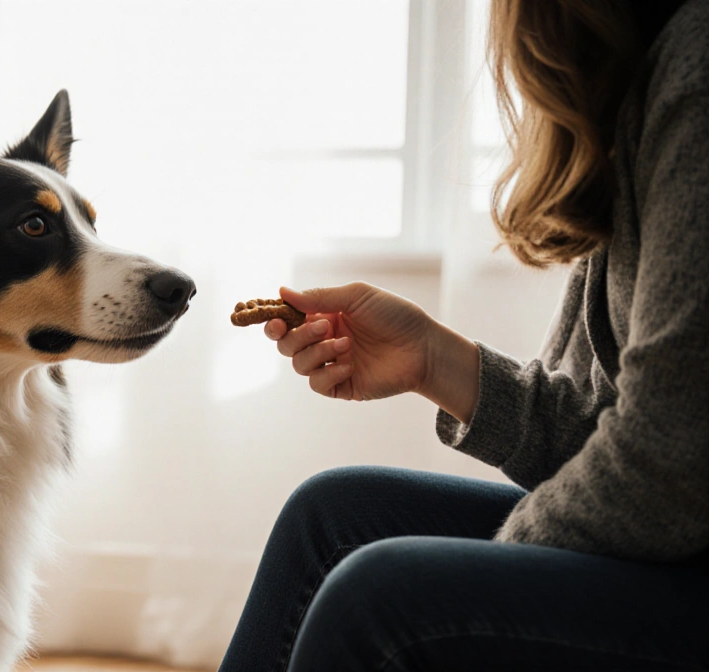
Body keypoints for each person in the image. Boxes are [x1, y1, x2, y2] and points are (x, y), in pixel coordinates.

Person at [219, 0, 709, 669]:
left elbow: (669, 468)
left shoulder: (698, 64)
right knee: (331, 515)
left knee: (379, 596)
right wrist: (430, 358)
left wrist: (497, 564)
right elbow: (606, 437)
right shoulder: (640, 76)